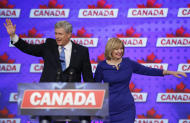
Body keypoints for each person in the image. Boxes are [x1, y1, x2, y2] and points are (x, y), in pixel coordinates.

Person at [4, 19, 93, 123]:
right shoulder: (48, 46)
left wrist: (92, 106)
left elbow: (88, 77)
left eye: (60, 34)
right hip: (48, 98)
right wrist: (13, 36)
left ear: (69, 35)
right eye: (56, 33)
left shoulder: (82, 51)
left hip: (72, 98)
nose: (57, 37)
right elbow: (28, 48)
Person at [94, 38, 187, 123]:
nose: (120, 51)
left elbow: (147, 70)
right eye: (116, 49)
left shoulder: (128, 63)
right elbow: (96, 87)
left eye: (121, 48)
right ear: (110, 50)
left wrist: (169, 72)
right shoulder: (102, 66)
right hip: (109, 109)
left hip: (126, 109)